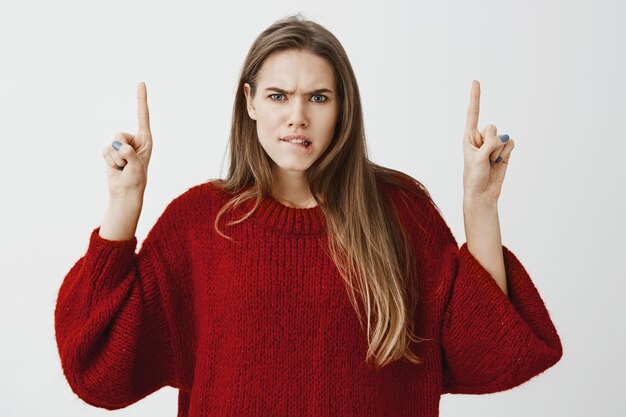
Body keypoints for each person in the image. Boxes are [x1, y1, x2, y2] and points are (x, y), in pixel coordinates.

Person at [54, 13, 563, 417]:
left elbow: (492, 351)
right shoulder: (201, 223)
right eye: (278, 96)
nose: (297, 116)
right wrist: (124, 203)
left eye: (318, 97)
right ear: (250, 102)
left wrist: (481, 205)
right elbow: (96, 368)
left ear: (342, 107)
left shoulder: (399, 212)